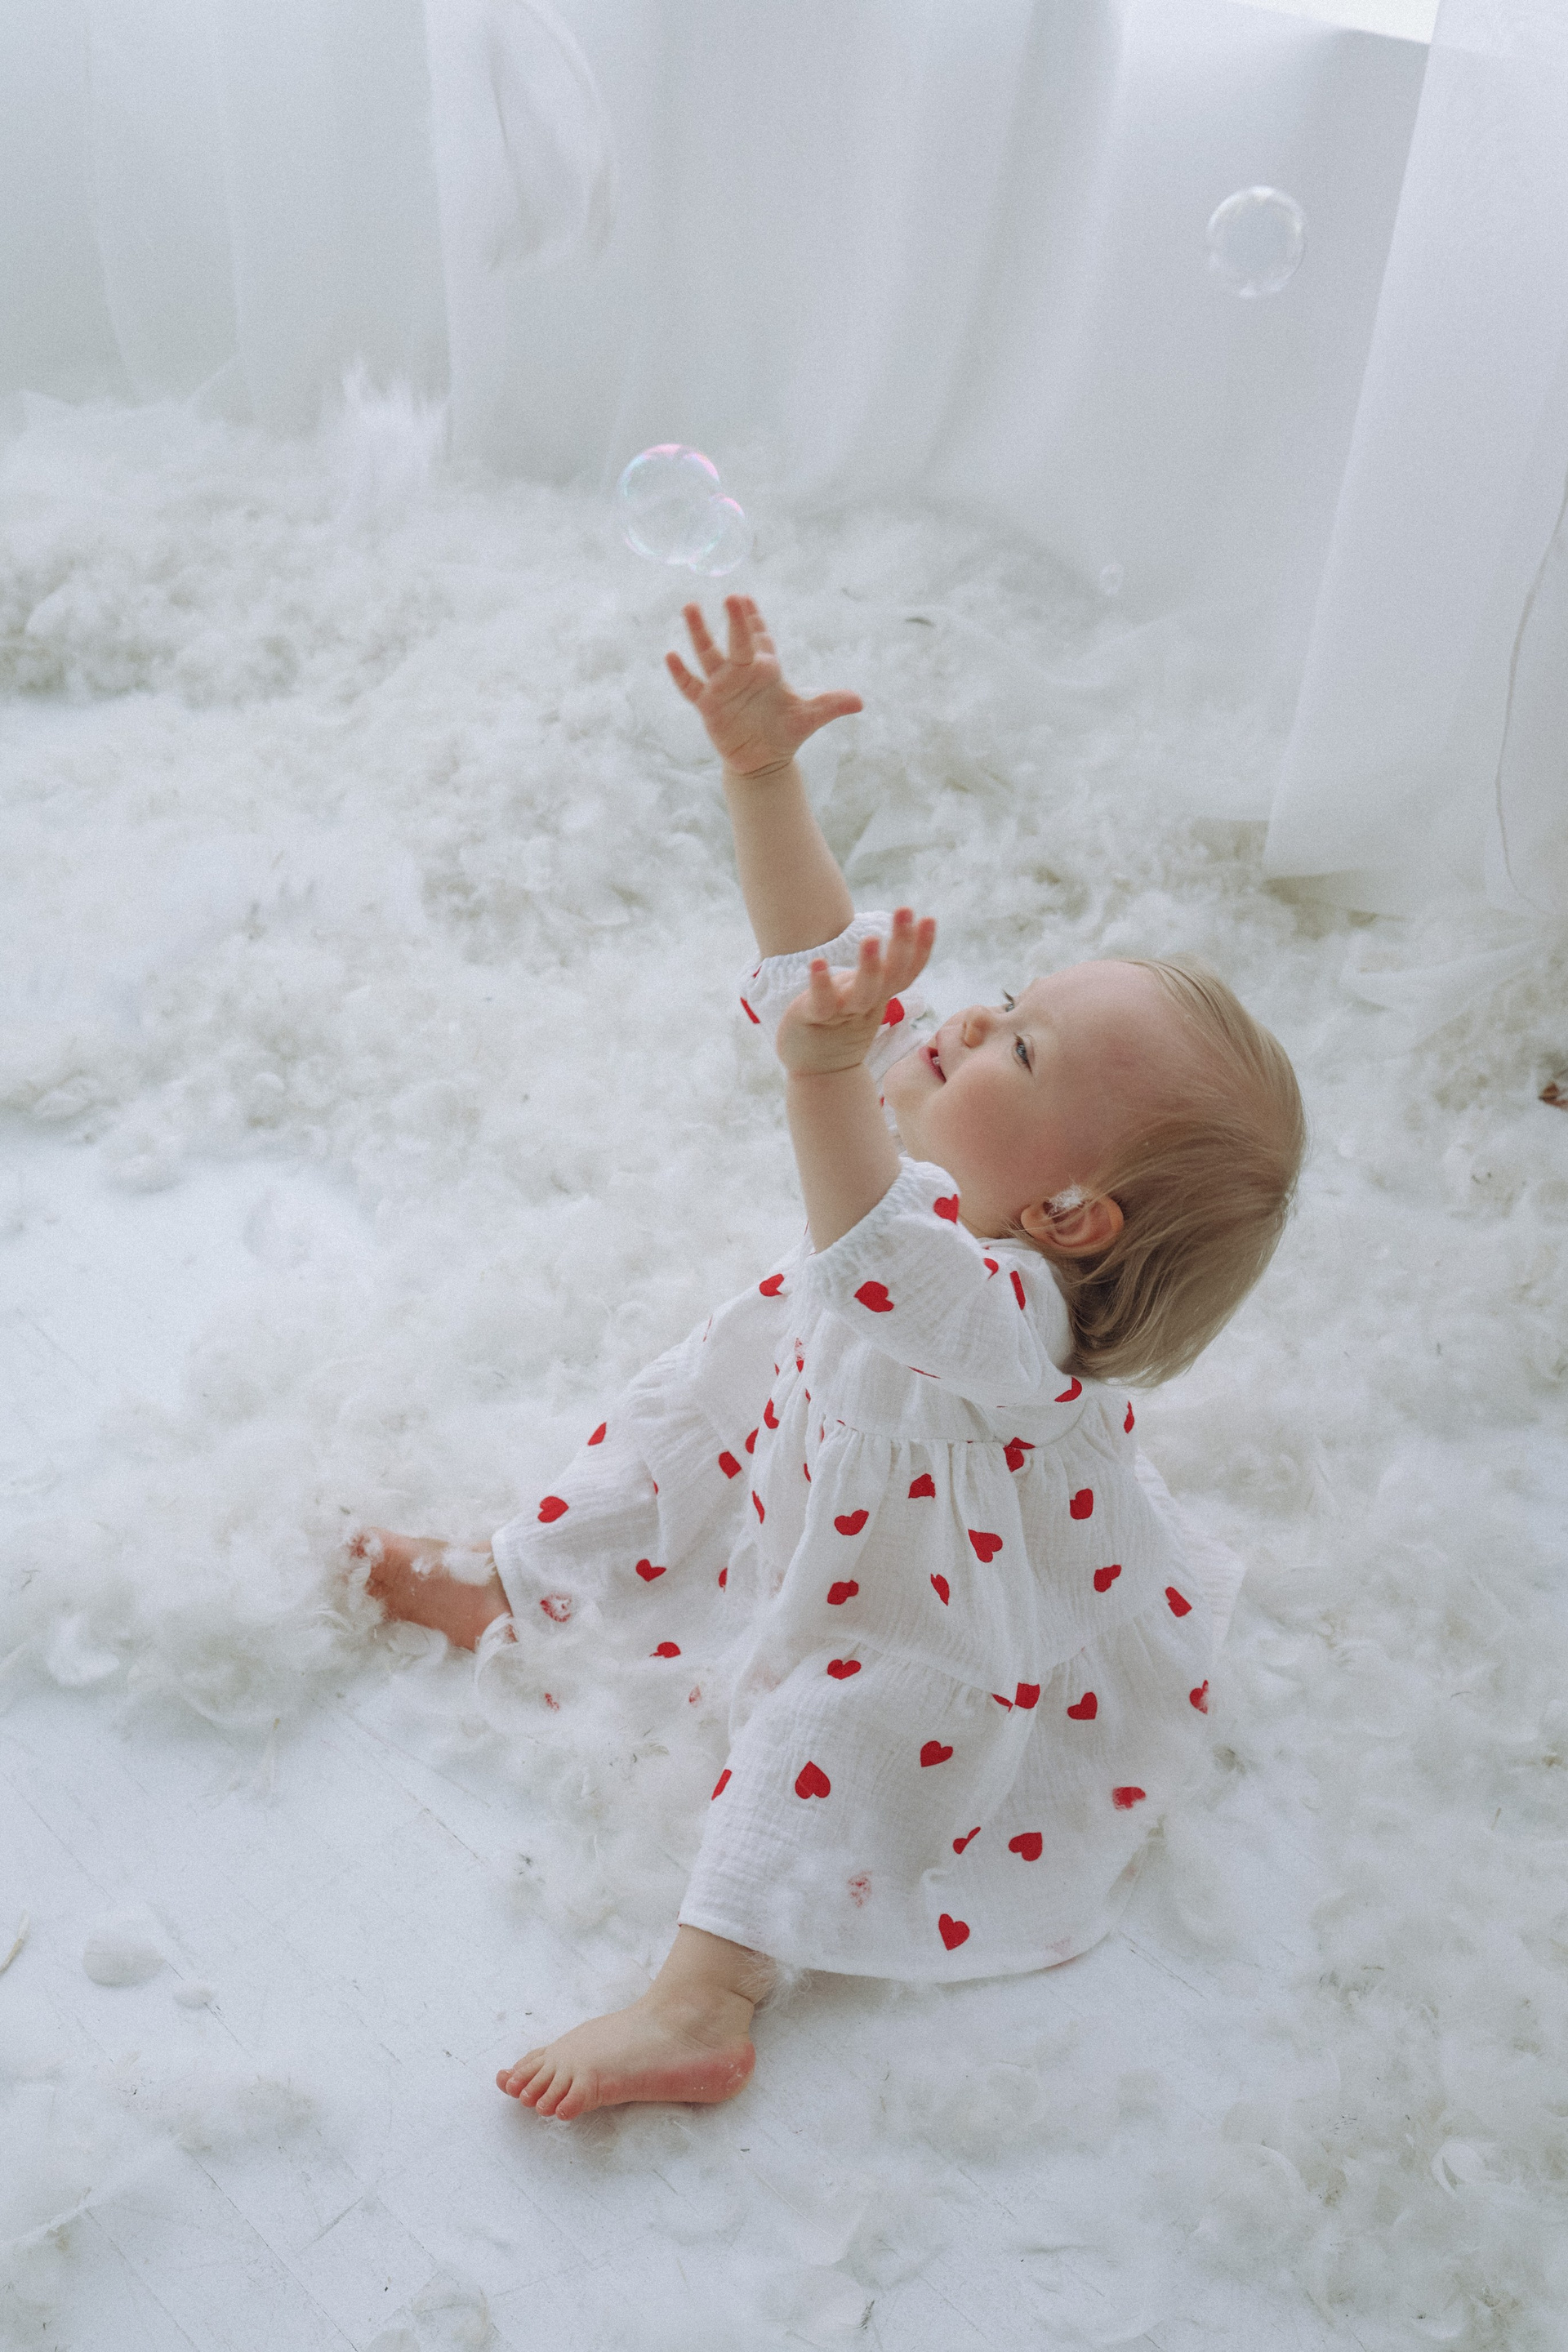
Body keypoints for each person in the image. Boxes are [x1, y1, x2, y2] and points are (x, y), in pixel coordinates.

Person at [352, 595, 1305, 2123]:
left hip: (922, 1608)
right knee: (665, 1446)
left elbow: (872, 1245)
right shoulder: (955, 1166)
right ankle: (520, 1585)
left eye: (1021, 1048)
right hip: (800, 1459)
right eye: (1016, 998)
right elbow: (818, 966)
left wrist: (819, 1075)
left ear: (1068, 1215)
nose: (975, 1015)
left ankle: (703, 2000)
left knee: (834, 1735)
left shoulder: (1015, 1319)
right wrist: (761, 776)